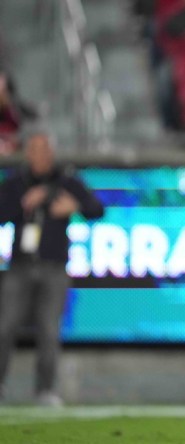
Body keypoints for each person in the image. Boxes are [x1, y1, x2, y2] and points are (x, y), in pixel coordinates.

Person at [0, 127, 105, 406]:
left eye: (43, 150)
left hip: (55, 267)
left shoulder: (67, 181)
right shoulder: (16, 183)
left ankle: (44, 391)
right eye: (33, 150)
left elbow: (96, 209)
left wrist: (69, 203)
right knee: (4, 327)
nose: (39, 156)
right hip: (20, 266)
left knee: (49, 330)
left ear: (51, 153)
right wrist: (23, 204)